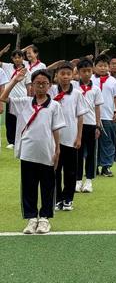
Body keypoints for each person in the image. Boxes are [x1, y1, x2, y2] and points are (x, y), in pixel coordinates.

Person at [0, 68, 65, 234]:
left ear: (50, 85)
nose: (41, 87)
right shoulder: (24, 102)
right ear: (32, 86)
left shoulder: (54, 106)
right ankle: (31, 218)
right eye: (37, 83)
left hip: (47, 151)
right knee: (29, 186)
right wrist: (15, 80)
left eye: (44, 83)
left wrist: (57, 149)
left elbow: (56, 129)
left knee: (47, 185)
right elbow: (3, 98)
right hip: (28, 151)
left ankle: (44, 218)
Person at [49, 61, 88, 211]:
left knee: (71, 171)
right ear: (57, 75)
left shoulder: (77, 93)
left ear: (73, 76)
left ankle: (68, 199)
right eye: (62, 74)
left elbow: (80, 117)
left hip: (71, 138)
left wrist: (79, 137)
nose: (65, 77)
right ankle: (57, 198)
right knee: (55, 170)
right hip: (53, 139)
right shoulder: (51, 91)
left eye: (68, 74)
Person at [73, 58, 104, 193]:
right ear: (78, 72)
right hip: (76, 125)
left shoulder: (96, 89)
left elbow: (97, 108)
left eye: (89, 71)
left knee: (91, 153)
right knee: (77, 154)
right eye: (83, 71)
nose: (86, 74)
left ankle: (89, 180)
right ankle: (78, 180)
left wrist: (98, 125)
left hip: (91, 124)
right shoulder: (73, 87)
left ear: (93, 71)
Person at [92, 54, 116, 177]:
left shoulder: (112, 81)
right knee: (93, 143)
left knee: (108, 141)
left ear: (108, 67)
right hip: (91, 117)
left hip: (107, 115)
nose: (103, 68)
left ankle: (106, 166)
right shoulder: (91, 80)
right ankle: (93, 166)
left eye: (105, 66)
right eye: (100, 66)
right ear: (95, 67)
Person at [0, 47, 32, 148]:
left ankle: (22, 139)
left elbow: (28, 87)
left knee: (22, 120)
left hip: (23, 98)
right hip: (10, 97)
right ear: (12, 59)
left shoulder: (27, 71)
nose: (17, 59)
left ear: (23, 58)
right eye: (15, 57)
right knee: (10, 120)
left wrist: (29, 98)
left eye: (19, 57)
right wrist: (2, 52)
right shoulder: (7, 66)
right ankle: (11, 142)